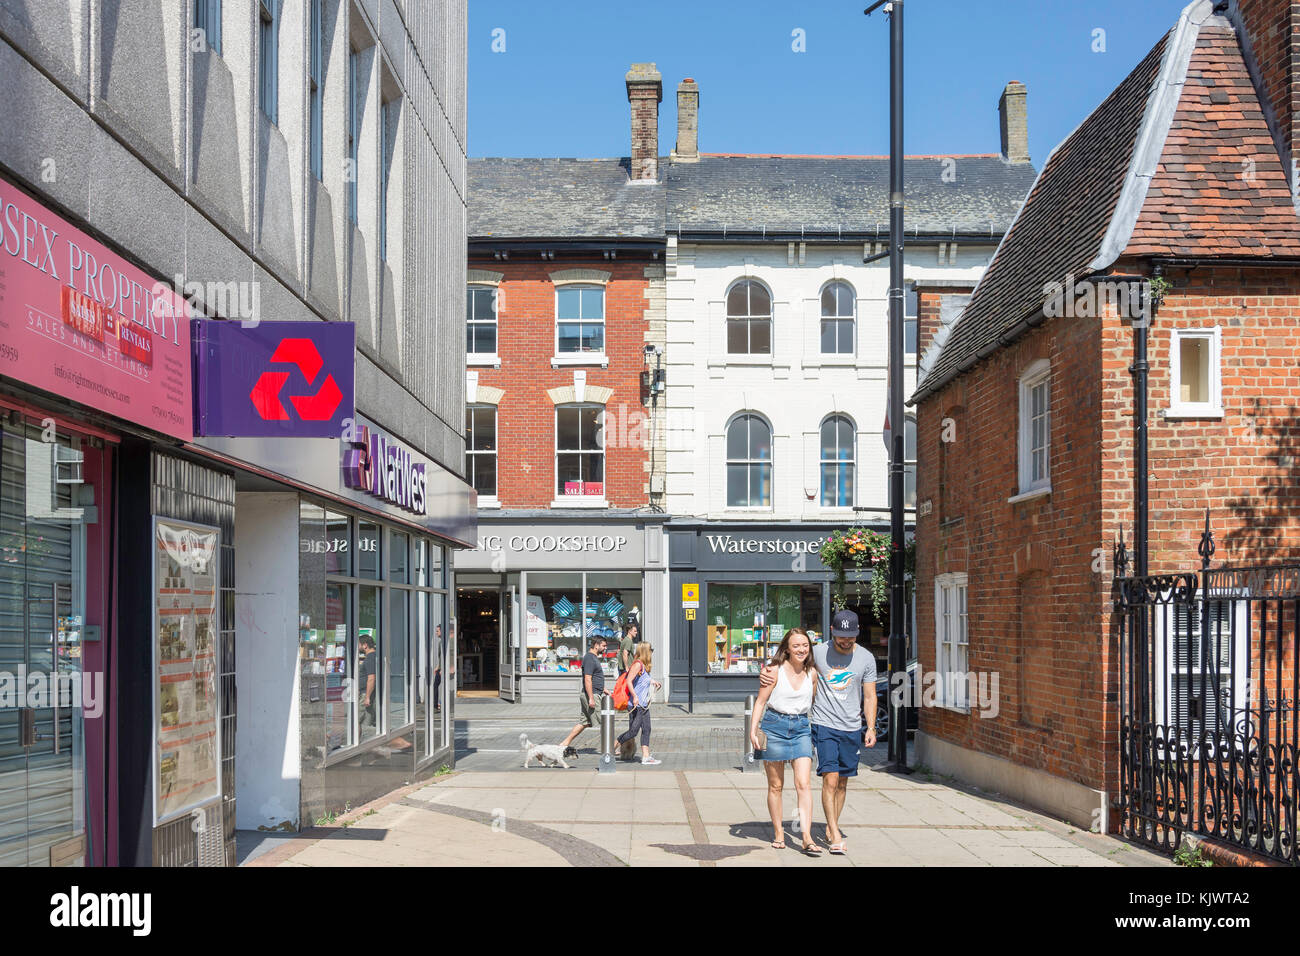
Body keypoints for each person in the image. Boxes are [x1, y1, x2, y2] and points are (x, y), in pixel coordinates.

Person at [759, 610, 876, 855]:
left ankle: (830, 827)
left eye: (851, 637)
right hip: (823, 724)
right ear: (832, 631)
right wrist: (767, 670)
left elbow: (869, 695)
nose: (846, 641)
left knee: (842, 782)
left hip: (851, 727)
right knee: (828, 778)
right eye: (841, 636)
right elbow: (788, 658)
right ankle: (830, 832)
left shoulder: (866, 658)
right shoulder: (819, 652)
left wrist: (871, 726)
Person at [750, 628, 820, 854]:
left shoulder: (813, 673)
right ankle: (779, 832)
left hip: (801, 728)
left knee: (803, 784)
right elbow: (760, 702)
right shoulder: (773, 671)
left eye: (805, 645)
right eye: (796, 645)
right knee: (776, 785)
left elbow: (813, 700)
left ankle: (807, 836)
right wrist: (753, 731)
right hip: (774, 726)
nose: (801, 649)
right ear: (787, 649)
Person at [560, 635, 608, 757]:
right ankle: (610, 748)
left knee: (584, 722)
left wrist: (604, 689)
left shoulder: (593, 658)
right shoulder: (590, 658)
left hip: (594, 693)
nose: (605, 648)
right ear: (596, 645)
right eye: (603, 645)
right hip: (591, 695)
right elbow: (588, 679)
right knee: (605, 721)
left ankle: (564, 744)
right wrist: (591, 697)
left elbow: (595, 679)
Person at [616, 643, 662, 764]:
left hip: (644, 704)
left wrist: (653, 682)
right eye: (651, 650)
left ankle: (646, 756)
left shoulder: (644, 666)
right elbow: (629, 681)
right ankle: (610, 748)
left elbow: (643, 680)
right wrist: (635, 697)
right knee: (633, 731)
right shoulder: (637, 664)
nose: (652, 652)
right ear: (646, 651)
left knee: (647, 729)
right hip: (636, 704)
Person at [358, 634, 378, 736]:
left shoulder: (370, 658)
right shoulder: (374, 656)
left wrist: (367, 697)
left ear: (365, 645)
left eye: (359, 644)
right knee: (367, 721)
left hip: (365, 694)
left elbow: (371, 678)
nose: (357, 647)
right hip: (368, 694)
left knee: (356, 720)